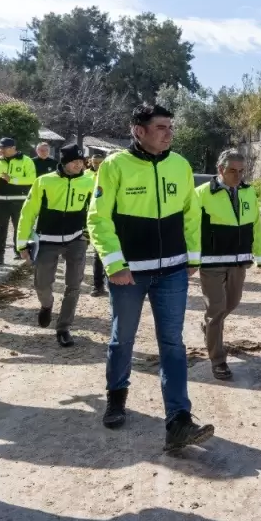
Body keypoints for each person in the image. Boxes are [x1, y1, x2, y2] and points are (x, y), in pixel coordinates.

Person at [87, 104, 213, 448]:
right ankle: (116, 397)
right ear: (138, 131)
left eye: (171, 126)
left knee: (172, 343)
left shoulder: (180, 165)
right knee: (122, 338)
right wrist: (114, 264)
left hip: (172, 271)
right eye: (161, 127)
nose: (169, 133)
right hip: (129, 274)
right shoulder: (114, 166)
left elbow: (191, 212)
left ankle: (179, 420)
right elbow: (99, 218)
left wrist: (193, 257)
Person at [197, 148, 261, 381]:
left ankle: (209, 328)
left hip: (238, 260)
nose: (238, 176)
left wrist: (259, 254)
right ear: (220, 170)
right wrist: (191, 258)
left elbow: (255, 224)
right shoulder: (202, 194)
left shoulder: (248, 192)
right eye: (232, 171)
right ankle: (218, 360)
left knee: (232, 303)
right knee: (216, 310)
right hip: (212, 262)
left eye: (241, 171)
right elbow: (191, 228)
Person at [15, 144, 92, 347]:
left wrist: (89, 234)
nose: (79, 165)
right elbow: (28, 213)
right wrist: (22, 244)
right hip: (47, 241)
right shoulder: (44, 181)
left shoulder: (90, 181)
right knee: (42, 284)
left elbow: (95, 211)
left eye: (81, 161)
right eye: (74, 161)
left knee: (74, 286)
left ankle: (64, 327)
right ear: (64, 162)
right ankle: (47, 305)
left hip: (76, 241)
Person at [0, 137, 36, 265]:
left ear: (13, 148)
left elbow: (32, 179)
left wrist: (12, 179)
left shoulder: (26, 160)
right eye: (0, 148)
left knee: (18, 226)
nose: (0, 150)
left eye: (4, 148)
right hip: (0, 199)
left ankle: (18, 252)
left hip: (19, 199)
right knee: (0, 228)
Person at [86, 148, 109, 297]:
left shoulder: (109, 175)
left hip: (110, 218)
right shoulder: (85, 177)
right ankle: (97, 285)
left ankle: (111, 282)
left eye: (100, 163)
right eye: (94, 162)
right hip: (93, 219)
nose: (97, 165)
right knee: (97, 254)